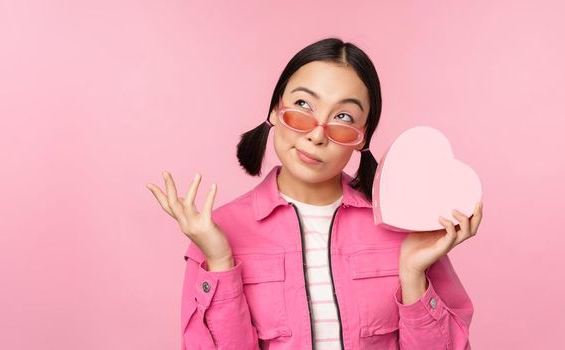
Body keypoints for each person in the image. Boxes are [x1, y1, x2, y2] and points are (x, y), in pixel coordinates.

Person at [146, 37, 483, 350]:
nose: (317, 134)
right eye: (303, 105)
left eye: (343, 116)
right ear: (274, 111)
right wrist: (220, 262)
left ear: (363, 137)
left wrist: (412, 275)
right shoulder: (217, 232)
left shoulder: (402, 223)